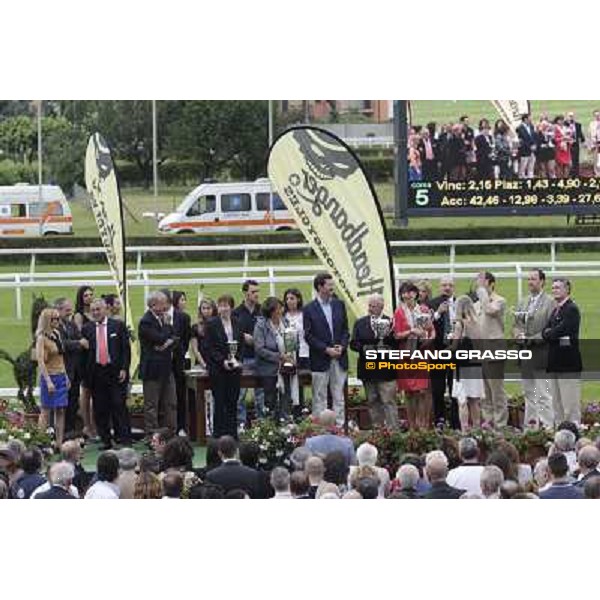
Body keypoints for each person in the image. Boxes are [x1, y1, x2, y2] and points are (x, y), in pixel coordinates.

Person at [81, 299, 131, 450]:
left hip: (115, 372)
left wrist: (124, 369)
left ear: (105, 309)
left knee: (118, 404)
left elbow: (125, 350)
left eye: (98, 309)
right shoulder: (87, 329)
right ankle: (106, 440)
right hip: (97, 373)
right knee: (100, 408)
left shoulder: (118, 325)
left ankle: (123, 438)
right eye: (93, 310)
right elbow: (83, 355)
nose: (95, 313)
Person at [303, 273, 349, 426]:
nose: (332, 287)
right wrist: (326, 349)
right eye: (329, 285)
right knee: (319, 395)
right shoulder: (309, 309)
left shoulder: (339, 304)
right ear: (319, 287)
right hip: (320, 359)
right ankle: (320, 429)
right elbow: (308, 335)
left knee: (339, 395)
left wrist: (341, 346)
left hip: (339, 357)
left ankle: (340, 428)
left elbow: (345, 330)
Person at [350, 293, 398, 430]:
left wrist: (386, 347)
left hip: (386, 370)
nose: (371, 308)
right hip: (368, 370)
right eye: (370, 305)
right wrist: (364, 348)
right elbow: (353, 344)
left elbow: (396, 344)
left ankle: (393, 431)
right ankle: (378, 430)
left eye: (374, 306)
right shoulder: (360, 323)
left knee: (388, 401)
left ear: (381, 307)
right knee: (372, 401)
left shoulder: (391, 323)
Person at [514, 269, 555, 429]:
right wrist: (517, 334)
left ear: (542, 282)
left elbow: (550, 329)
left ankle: (547, 428)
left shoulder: (550, 302)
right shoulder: (523, 301)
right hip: (524, 354)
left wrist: (531, 339)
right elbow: (516, 324)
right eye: (529, 279)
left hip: (542, 353)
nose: (530, 282)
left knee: (543, 394)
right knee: (529, 393)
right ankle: (531, 429)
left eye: (534, 279)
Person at [394, 281, 435, 429]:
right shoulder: (399, 312)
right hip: (406, 354)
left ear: (416, 294)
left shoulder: (423, 309)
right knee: (409, 392)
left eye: (410, 292)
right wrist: (411, 332)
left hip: (421, 353)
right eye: (404, 292)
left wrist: (428, 338)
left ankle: (422, 424)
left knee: (422, 391)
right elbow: (397, 335)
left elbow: (432, 330)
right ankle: (412, 425)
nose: (407, 295)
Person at [542, 278, 582, 425]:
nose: (554, 290)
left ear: (567, 290)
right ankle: (559, 436)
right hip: (554, 363)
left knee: (569, 406)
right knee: (557, 405)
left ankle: (573, 436)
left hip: (567, 364)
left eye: (558, 288)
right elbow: (545, 332)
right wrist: (550, 334)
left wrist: (550, 334)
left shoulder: (571, 309)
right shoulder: (555, 310)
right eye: (552, 288)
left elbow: (559, 331)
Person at [138, 291, 178, 436]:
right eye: (162, 303)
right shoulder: (146, 322)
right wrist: (167, 331)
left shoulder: (163, 318)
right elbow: (159, 338)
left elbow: (174, 338)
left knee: (171, 403)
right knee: (152, 405)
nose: (166, 306)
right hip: (152, 370)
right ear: (153, 305)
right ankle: (152, 435)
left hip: (167, 369)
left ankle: (171, 433)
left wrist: (166, 343)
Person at [204, 295, 242, 438]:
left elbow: (241, 344)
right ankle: (218, 434)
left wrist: (238, 360)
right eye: (221, 306)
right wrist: (222, 361)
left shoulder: (237, 322)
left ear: (231, 307)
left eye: (226, 306)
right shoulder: (212, 324)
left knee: (233, 402)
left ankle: (233, 434)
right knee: (219, 402)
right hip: (218, 369)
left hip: (234, 370)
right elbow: (209, 347)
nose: (224, 309)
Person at [476, 271, 508, 428]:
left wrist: (482, 292)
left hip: (495, 350)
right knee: (485, 392)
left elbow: (490, 310)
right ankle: (488, 423)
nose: (479, 284)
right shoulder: (478, 304)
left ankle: (501, 425)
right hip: (480, 350)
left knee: (497, 391)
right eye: (478, 281)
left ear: (491, 283)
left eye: (482, 281)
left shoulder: (499, 300)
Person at [254, 297, 293, 420]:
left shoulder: (286, 323)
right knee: (270, 401)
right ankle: (270, 428)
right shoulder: (261, 325)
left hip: (286, 369)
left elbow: (291, 343)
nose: (282, 310)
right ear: (272, 311)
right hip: (268, 370)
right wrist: (279, 357)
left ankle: (285, 425)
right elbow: (259, 349)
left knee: (286, 399)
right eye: (279, 308)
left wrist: (290, 354)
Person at [36, 307, 69, 450]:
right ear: (47, 321)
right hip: (49, 377)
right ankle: (41, 442)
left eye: (58, 318)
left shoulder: (57, 334)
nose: (57, 321)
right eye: (54, 319)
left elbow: (61, 357)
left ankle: (59, 442)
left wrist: (66, 376)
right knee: (46, 411)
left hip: (60, 375)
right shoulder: (41, 338)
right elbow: (41, 361)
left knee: (60, 410)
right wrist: (48, 381)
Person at [54, 297, 89, 435]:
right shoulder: (55, 326)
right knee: (62, 405)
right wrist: (78, 344)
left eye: (70, 309)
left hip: (75, 370)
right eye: (66, 310)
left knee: (73, 402)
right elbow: (62, 344)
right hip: (62, 370)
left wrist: (78, 343)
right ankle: (60, 434)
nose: (70, 312)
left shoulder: (71, 324)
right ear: (58, 310)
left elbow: (80, 338)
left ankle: (70, 430)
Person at [449, 295, 483, 431]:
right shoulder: (477, 322)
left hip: (462, 367)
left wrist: (450, 341)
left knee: (462, 401)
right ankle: (477, 429)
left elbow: (454, 346)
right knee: (474, 401)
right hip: (476, 365)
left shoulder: (459, 324)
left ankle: (464, 430)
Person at [233, 280, 264, 429]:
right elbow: (232, 332)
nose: (256, 294)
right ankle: (241, 424)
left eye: (258, 291)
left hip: (261, 358)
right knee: (240, 394)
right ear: (245, 293)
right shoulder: (236, 312)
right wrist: (243, 336)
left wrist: (257, 340)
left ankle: (262, 424)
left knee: (261, 394)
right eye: (253, 292)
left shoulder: (263, 311)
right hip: (243, 357)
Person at [430, 277, 459, 427]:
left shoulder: (461, 303)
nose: (447, 288)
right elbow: (427, 325)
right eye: (444, 285)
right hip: (438, 352)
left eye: (450, 285)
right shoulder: (433, 304)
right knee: (437, 388)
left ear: (454, 287)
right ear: (439, 287)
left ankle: (456, 421)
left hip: (456, 352)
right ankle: (439, 419)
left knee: (455, 388)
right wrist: (438, 313)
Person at [73, 285, 96, 440]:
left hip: (96, 355)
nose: (89, 297)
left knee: (95, 393)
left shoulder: (96, 312)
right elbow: (80, 334)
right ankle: (87, 425)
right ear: (81, 298)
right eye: (86, 295)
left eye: (90, 295)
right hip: (85, 357)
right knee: (86, 392)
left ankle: (94, 425)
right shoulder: (79, 315)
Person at [282, 288, 309, 416]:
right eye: (287, 299)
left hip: (304, 352)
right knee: (289, 382)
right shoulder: (283, 316)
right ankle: (290, 411)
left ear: (298, 299)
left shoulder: (304, 315)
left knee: (301, 382)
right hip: (288, 355)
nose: (289, 301)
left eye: (292, 298)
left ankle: (301, 409)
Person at [171, 291, 192, 436]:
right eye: (182, 299)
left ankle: (181, 426)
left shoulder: (184, 317)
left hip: (180, 360)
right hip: (165, 363)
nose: (184, 302)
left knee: (180, 394)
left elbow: (186, 338)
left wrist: (180, 351)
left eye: (185, 299)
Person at [517, 114, 537, 178]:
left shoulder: (531, 126)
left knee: (531, 166)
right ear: (525, 119)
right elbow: (522, 140)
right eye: (529, 118)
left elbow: (534, 136)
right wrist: (530, 146)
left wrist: (534, 145)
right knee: (523, 166)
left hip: (532, 150)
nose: (531, 119)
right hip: (524, 150)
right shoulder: (519, 128)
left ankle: (530, 177)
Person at [565, 112, 585, 176]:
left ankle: (576, 173)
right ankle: (569, 173)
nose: (571, 117)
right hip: (567, 144)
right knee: (568, 159)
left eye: (572, 116)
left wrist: (583, 141)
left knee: (576, 159)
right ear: (567, 117)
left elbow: (580, 134)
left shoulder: (578, 125)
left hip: (575, 144)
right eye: (569, 116)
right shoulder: (564, 124)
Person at [588, 110, 600, 176]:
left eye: (598, 115)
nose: (597, 116)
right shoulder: (592, 124)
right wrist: (590, 145)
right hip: (595, 143)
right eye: (596, 115)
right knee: (596, 159)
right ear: (594, 116)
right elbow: (590, 135)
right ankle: (597, 173)